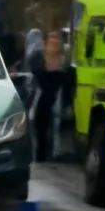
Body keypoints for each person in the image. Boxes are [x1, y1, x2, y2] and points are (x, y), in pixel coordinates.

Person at [31, 31, 65, 163]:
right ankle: (41, 155)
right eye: (51, 42)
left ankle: (53, 154)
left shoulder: (64, 63)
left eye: (57, 42)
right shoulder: (38, 59)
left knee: (55, 127)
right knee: (41, 128)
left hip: (55, 102)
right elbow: (35, 80)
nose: (54, 45)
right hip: (42, 102)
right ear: (45, 44)